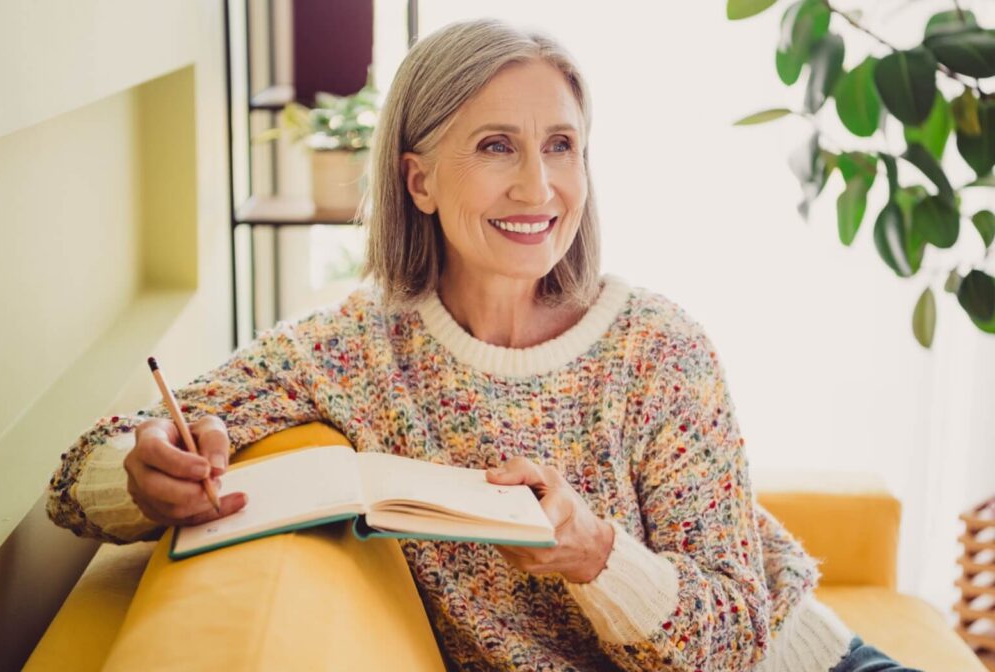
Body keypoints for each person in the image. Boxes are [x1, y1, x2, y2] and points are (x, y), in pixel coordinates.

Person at [46, 18, 923, 672]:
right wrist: (141, 468)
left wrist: (595, 551)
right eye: (496, 145)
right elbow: (78, 477)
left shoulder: (655, 347)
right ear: (418, 178)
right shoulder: (354, 348)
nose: (538, 186)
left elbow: (735, 640)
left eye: (562, 146)